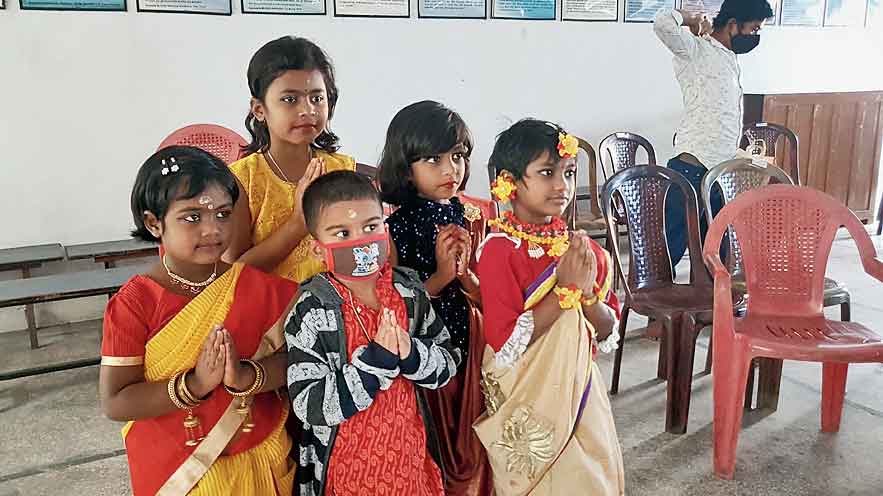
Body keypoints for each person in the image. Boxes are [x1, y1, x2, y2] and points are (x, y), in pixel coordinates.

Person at [99, 146, 298, 495]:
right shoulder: (136, 303)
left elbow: (295, 361)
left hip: (260, 458)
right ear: (153, 223)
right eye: (192, 217)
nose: (212, 230)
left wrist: (249, 376)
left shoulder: (257, 287)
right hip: (181, 472)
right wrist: (194, 385)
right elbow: (116, 400)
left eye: (223, 214)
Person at [285, 170, 460, 496]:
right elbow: (309, 404)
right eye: (342, 233)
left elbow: (448, 363)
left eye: (370, 227)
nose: (361, 241)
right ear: (316, 248)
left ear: (385, 227)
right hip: (347, 473)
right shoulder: (311, 310)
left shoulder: (408, 292)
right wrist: (374, 363)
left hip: (410, 467)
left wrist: (412, 354)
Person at [476, 119, 624, 496]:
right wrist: (565, 292)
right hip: (529, 397)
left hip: (579, 393)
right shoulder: (499, 252)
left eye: (569, 173)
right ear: (508, 181)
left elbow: (607, 332)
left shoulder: (582, 250)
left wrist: (586, 295)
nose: (562, 186)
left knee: (589, 478)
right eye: (546, 173)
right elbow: (505, 343)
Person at [378, 100, 491, 496]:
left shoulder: (467, 213)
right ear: (405, 167)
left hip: (469, 336)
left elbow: (478, 288)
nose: (450, 170)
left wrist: (468, 279)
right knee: (438, 435)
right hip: (428, 348)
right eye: (433, 159)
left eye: (458, 156)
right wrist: (442, 277)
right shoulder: (396, 226)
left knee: (474, 424)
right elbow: (396, 304)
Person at [226, 36, 356, 283]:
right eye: (290, 99)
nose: (307, 110)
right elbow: (233, 272)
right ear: (259, 110)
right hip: (272, 312)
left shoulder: (341, 169)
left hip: (339, 308)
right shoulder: (242, 179)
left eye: (317, 98)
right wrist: (298, 224)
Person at [654, 0, 774, 267]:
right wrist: (690, 17)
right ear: (733, 24)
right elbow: (662, 24)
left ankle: (713, 305)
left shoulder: (727, 56)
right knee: (669, 251)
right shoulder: (696, 50)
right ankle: (659, 305)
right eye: (754, 29)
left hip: (720, 171)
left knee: (717, 250)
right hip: (692, 167)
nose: (755, 37)